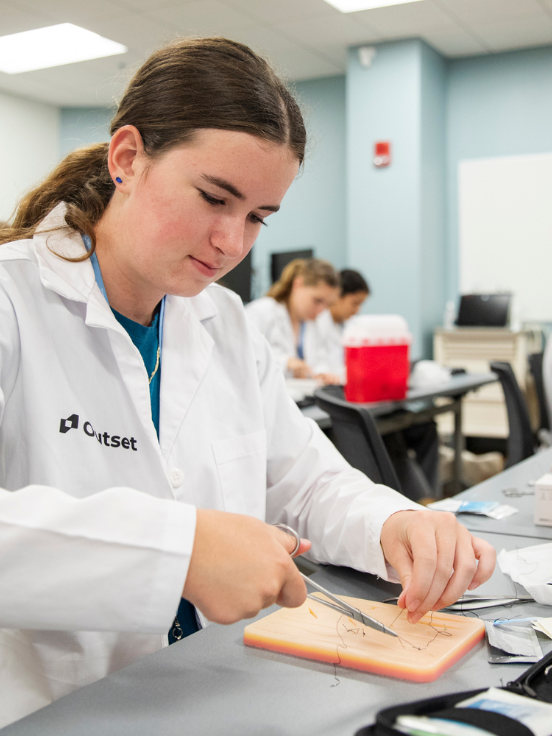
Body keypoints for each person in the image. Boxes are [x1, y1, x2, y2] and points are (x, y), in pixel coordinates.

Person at [0, 37, 495, 729]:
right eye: (214, 197)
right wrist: (175, 549)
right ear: (127, 160)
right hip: (52, 708)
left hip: (215, 688)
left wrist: (394, 523)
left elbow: (308, 480)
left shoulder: (224, 322)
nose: (233, 243)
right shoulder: (12, 301)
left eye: (259, 217)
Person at [246, 258, 341, 383]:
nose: (321, 310)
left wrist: (322, 373)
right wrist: (286, 363)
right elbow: (243, 358)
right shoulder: (262, 312)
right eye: (317, 301)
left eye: (327, 305)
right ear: (298, 284)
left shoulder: (314, 322)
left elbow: (320, 360)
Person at [313, 268, 370, 380]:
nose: (357, 310)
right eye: (355, 303)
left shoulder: (350, 325)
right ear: (337, 296)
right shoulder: (317, 323)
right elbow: (317, 365)